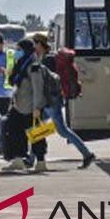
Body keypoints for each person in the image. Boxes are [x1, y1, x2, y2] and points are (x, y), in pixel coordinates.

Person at [33, 34, 95, 169]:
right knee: (46, 127)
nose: (34, 47)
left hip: (51, 100)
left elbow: (47, 82)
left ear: (39, 44)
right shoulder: (49, 57)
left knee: (60, 130)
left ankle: (87, 154)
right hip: (53, 100)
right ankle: (32, 158)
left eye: (35, 44)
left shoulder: (47, 60)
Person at [2, 39, 47, 173]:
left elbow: (38, 88)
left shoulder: (33, 66)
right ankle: (18, 159)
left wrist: (37, 107)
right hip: (19, 106)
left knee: (36, 135)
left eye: (19, 49)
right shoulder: (20, 65)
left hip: (31, 107)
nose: (17, 52)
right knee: (13, 131)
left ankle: (40, 162)